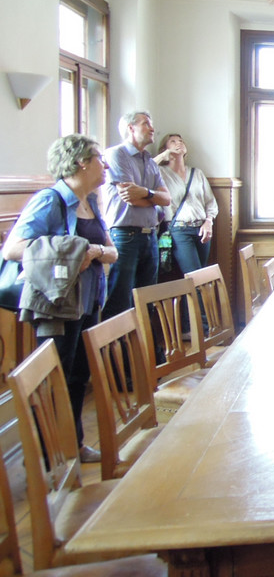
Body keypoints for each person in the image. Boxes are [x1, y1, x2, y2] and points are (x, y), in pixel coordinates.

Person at [2, 134, 118, 463]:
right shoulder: (49, 201)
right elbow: (13, 248)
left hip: (89, 298)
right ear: (80, 161)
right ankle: (46, 453)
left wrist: (92, 250)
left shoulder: (92, 202)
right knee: (54, 377)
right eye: (99, 157)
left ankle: (74, 444)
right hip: (57, 303)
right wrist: (68, 250)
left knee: (79, 374)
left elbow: (112, 252)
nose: (104, 164)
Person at [101, 110, 170, 318]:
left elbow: (166, 199)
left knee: (146, 299)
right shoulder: (116, 154)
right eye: (146, 124)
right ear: (131, 128)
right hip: (125, 235)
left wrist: (146, 193)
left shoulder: (149, 160)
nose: (152, 129)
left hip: (150, 235)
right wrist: (152, 198)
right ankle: (117, 350)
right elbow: (129, 197)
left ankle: (144, 348)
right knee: (120, 300)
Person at [154, 133, 218, 275]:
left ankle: (190, 299)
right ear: (164, 148)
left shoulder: (197, 173)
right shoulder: (161, 173)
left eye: (181, 141)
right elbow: (146, 170)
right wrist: (163, 156)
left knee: (202, 277)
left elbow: (210, 202)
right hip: (179, 230)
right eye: (173, 142)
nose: (178, 144)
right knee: (195, 276)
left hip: (202, 230)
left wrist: (209, 222)